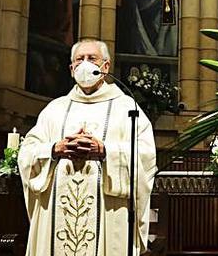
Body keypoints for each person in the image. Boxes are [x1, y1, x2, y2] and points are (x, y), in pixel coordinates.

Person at [19, 39, 157, 256]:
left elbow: (146, 156)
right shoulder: (54, 109)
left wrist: (104, 151)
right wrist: (56, 149)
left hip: (108, 212)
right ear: (71, 68)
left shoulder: (127, 108)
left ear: (106, 66)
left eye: (92, 58)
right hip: (56, 212)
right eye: (79, 60)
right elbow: (27, 152)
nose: (85, 64)